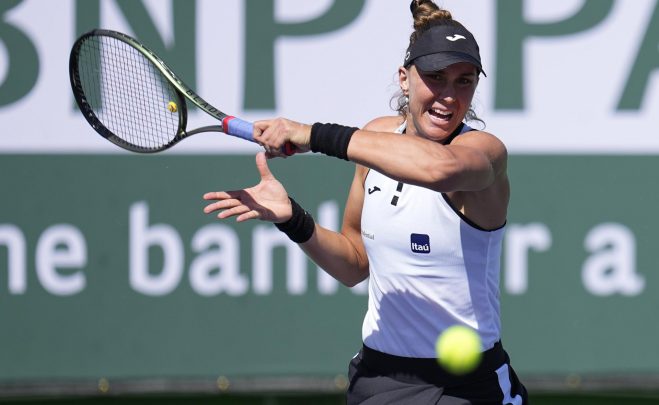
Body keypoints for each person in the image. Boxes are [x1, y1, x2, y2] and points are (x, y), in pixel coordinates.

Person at [203, 0, 528, 403]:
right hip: (379, 380)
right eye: (435, 77)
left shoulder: (484, 152)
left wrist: (314, 135)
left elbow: (438, 169)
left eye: (464, 81)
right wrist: (292, 218)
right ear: (404, 78)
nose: (448, 95)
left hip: (467, 390)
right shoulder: (375, 142)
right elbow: (355, 263)